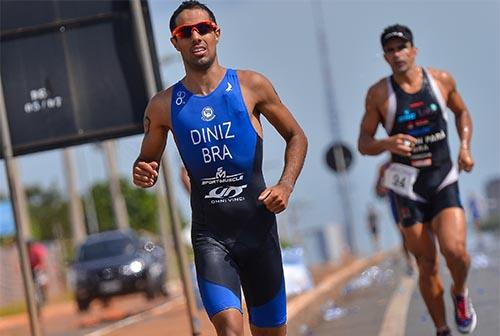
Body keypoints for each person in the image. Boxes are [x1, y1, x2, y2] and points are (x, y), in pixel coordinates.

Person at [132, 1, 308, 335]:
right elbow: (146, 162)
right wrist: (142, 172)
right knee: (229, 328)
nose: (195, 36)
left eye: (202, 28)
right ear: (175, 42)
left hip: (258, 230)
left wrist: (285, 186)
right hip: (211, 236)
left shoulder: (251, 85)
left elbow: (296, 136)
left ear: (216, 33)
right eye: (185, 32)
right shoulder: (163, 105)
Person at [358, 24, 476, 336]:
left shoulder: (440, 80)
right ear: (385, 57)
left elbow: (462, 113)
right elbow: (364, 143)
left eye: (402, 47)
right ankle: (442, 329)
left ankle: (460, 294)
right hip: (408, 188)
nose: (397, 54)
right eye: (391, 50)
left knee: (456, 252)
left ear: (414, 50)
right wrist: (387, 143)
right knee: (427, 262)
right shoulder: (379, 94)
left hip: (442, 178)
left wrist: (464, 148)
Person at [375, 160, 414, 275]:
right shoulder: (385, 167)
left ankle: (423, 257)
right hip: (396, 205)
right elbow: (378, 190)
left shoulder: (410, 162)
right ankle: (410, 262)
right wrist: (382, 188)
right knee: (403, 234)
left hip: (412, 203)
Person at [27, 240, 49, 305]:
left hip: (39, 268)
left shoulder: (36, 250)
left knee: (43, 281)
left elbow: (42, 259)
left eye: (30, 245)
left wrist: (43, 267)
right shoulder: (26, 252)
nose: (29, 247)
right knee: (31, 284)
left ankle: (45, 294)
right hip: (31, 269)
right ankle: (34, 298)